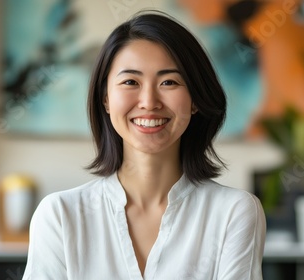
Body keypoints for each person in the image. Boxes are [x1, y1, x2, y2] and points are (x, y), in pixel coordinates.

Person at [23, 11, 266, 280]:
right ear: (105, 99)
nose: (149, 102)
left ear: (195, 99)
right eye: (130, 82)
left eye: (169, 82)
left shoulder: (234, 212)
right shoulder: (59, 215)